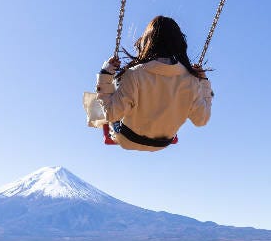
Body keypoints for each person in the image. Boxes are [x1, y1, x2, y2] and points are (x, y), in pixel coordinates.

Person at [89, 16, 213, 151]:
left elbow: (112, 114)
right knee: (174, 97)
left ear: (146, 41)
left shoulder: (134, 74)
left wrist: (105, 74)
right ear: (179, 43)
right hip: (162, 143)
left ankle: (101, 118)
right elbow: (201, 120)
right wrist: (204, 82)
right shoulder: (192, 80)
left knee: (107, 87)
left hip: (128, 138)